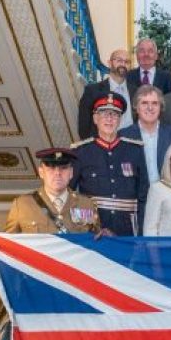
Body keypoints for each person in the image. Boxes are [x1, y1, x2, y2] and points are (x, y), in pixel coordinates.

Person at [71, 93, 150, 235]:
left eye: (114, 115)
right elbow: (70, 195)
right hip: (92, 229)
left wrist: (142, 231)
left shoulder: (135, 150)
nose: (109, 119)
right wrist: (87, 227)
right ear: (95, 119)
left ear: (120, 120)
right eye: (104, 114)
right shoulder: (81, 152)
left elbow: (143, 194)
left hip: (128, 229)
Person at [4, 148, 104, 234]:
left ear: (71, 173)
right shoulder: (22, 205)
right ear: (41, 172)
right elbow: (7, 244)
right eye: (51, 168)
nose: (57, 173)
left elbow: (96, 244)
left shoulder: (87, 204)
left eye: (63, 168)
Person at [120, 85, 171, 184]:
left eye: (155, 103)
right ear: (136, 107)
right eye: (144, 103)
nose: (150, 108)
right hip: (135, 195)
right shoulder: (124, 136)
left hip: (167, 194)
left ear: (160, 107)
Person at [77, 49, 138, 138]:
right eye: (119, 60)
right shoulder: (92, 91)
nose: (123, 64)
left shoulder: (137, 92)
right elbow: (84, 127)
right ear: (109, 63)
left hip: (131, 145)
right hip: (102, 147)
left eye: (127, 62)